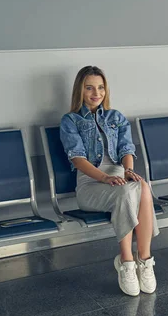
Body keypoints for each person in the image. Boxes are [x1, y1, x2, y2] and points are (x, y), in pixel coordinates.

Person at [59, 65, 159, 296]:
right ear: (80, 91)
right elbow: (78, 159)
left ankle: (144, 260)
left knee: (143, 185)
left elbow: (126, 148)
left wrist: (128, 171)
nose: (97, 93)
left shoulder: (116, 117)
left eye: (101, 87)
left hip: (119, 177)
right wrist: (105, 177)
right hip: (91, 183)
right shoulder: (70, 121)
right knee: (126, 193)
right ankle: (126, 262)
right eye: (90, 88)